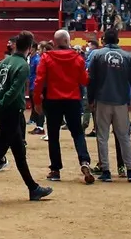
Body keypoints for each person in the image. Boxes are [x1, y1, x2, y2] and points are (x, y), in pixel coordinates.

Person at [0, 32, 52, 204]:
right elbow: (14, 91)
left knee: (18, 150)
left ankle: (33, 188)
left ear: (15, 45)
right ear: (29, 48)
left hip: (2, 110)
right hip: (12, 111)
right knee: (0, 150)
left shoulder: (3, 62)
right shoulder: (22, 66)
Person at [37, 29, 93, 183]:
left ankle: (55, 169)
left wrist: (36, 101)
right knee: (78, 133)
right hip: (73, 100)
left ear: (54, 43)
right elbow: (84, 80)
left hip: (52, 100)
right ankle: (84, 161)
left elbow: (39, 80)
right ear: (68, 42)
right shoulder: (78, 58)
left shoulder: (46, 57)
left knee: (53, 135)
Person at [86, 28, 131, 182]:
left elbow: (91, 79)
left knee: (102, 136)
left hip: (102, 100)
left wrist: (90, 99)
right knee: (124, 136)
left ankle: (106, 171)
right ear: (118, 40)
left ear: (103, 40)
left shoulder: (96, 55)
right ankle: (130, 170)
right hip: (121, 100)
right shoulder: (126, 56)